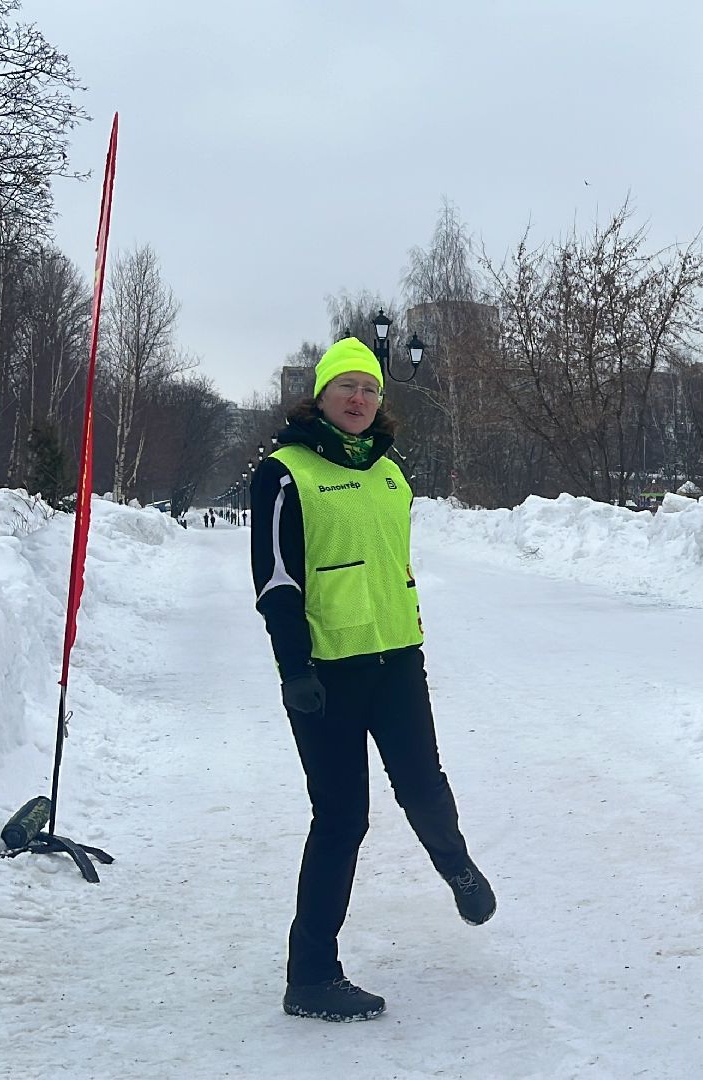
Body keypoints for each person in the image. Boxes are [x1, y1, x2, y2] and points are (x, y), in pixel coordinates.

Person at [249, 337, 496, 1023]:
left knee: (425, 785)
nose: (359, 399)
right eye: (346, 386)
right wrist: (293, 668)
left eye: (370, 388)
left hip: (397, 659)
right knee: (341, 819)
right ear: (321, 394)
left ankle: (456, 865)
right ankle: (310, 977)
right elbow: (276, 580)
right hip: (324, 674)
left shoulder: (390, 472)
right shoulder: (283, 472)